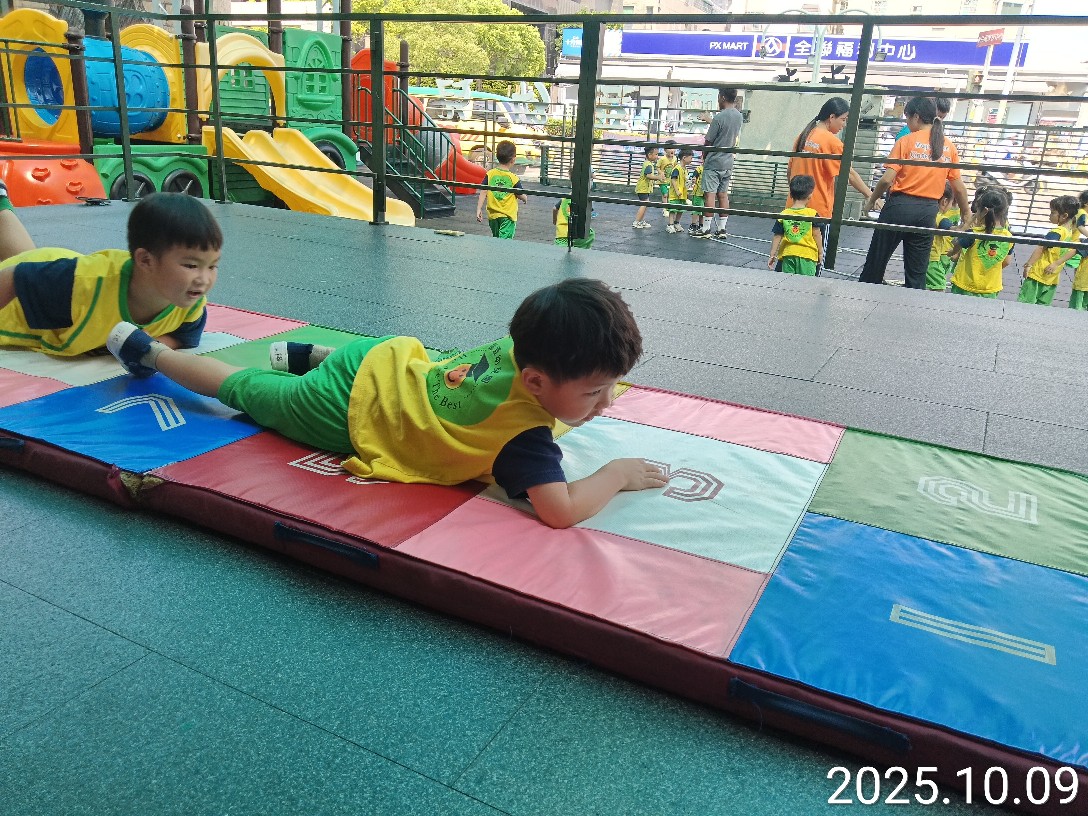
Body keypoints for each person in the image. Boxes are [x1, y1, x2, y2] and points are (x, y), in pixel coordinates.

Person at [105, 278, 668, 529]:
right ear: (537, 382)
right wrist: (616, 474)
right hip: (343, 407)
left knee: (402, 367)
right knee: (241, 389)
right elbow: (560, 512)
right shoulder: (524, 441)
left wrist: (587, 391)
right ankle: (151, 353)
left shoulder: (521, 344)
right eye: (593, 392)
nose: (605, 402)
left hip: (383, 359)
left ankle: (310, 355)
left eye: (610, 387)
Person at [0, 191, 220, 357]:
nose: (204, 280)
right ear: (145, 260)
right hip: (15, 295)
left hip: (56, 273)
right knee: (21, 263)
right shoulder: (84, 285)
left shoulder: (190, 305)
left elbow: (183, 336)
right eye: (191, 266)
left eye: (212, 266)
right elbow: (14, 278)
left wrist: (148, 347)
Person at [859, 96, 970, 289]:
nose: (907, 123)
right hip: (927, 212)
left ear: (916, 117)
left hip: (898, 207)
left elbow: (886, 179)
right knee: (917, 275)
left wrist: (871, 200)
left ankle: (861, 299)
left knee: (875, 265)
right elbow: (958, 187)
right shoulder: (948, 146)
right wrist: (966, 213)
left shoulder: (906, 141)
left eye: (907, 118)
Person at [788, 97, 875, 223]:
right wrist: (871, 195)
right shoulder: (832, 142)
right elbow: (849, 174)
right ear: (832, 117)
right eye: (843, 119)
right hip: (817, 211)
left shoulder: (802, 136)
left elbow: (789, 173)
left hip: (793, 208)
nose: (844, 125)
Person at [947, 186, 1014, 298]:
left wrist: (952, 252)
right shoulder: (1009, 237)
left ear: (984, 211)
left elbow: (956, 244)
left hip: (965, 285)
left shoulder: (973, 233)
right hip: (990, 288)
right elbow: (1006, 261)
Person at [697, 87, 743, 239]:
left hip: (714, 161)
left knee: (709, 195)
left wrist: (704, 156)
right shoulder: (738, 116)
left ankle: (705, 229)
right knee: (723, 195)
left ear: (722, 97)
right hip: (728, 161)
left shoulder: (719, 117)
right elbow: (725, 131)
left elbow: (709, 141)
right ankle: (722, 229)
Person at [1018, 195, 1079, 306]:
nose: (1050, 215)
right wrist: (1056, 264)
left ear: (1064, 216)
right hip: (1052, 277)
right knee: (1043, 306)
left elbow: (1041, 247)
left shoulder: (1057, 231)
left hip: (1038, 273)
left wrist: (1028, 265)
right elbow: (1073, 250)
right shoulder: (1069, 232)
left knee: (1025, 303)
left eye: (1052, 212)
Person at [768, 174, 822, 276]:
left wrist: (772, 254)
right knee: (806, 283)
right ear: (810, 195)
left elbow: (777, 235)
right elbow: (816, 234)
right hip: (808, 255)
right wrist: (820, 252)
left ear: (791, 195)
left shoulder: (784, 214)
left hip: (788, 253)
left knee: (788, 281)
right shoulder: (812, 214)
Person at [476, 140, 526, 239]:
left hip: (493, 215)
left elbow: (483, 191)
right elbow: (520, 194)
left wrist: (479, 209)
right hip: (507, 216)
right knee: (504, 243)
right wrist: (525, 198)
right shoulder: (513, 178)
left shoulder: (490, 174)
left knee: (497, 239)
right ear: (513, 159)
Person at [554, 168, 595, 249]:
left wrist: (555, 221)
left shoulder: (566, 197)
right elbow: (588, 216)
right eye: (591, 179)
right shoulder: (586, 200)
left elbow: (554, 209)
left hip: (562, 234)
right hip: (579, 235)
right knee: (590, 234)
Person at [926, 183, 956, 291]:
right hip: (933, 261)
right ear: (945, 201)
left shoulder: (925, 213)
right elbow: (955, 231)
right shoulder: (940, 218)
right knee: (939, 288)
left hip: (920, 257)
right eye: (951, 203)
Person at [632, 146, 662, 229]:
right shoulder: (648, 165)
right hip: (643, 188)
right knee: (644, 204)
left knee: (645, 204)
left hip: (644, 188)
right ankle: (637, 222)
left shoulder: (648, 163)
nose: (657, 156)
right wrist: (658, 177)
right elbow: (648, 176)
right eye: (656, 154)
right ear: (649, 155)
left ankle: (640, 221)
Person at [665, 148, 694, 235]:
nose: (691, 160)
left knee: (681, 209)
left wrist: (690, 184)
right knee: (673, 209)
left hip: (683, 194)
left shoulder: (685, 169)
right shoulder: (677, 168)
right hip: (675, 194)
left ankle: (676, 222)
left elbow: (685, 180)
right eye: (691, 158)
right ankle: (670, 224)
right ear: (684, 158)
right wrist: (677, 190)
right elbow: (673, 179)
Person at [1071, 190, 1088, 310]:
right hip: (1072, 242)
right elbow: (1080, 226)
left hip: (1072, 240)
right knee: (1079, 262)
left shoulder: (1079, 211)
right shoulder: (1082, 213)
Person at [656, 143, 678, 216]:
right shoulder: (662, 159)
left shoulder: (675, 158)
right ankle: (665, 209)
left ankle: (668, 207)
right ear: (665, 150)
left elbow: (675, 167)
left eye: (673, 148)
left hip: (670, 180)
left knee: (669, 194)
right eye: (670, 148)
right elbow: (657, 167)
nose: (672, 150)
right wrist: (661, 173)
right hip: (662, 180)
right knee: (665, 194)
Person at [686, 160, 705, 237]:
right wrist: (694, 178)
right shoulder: (700, 168)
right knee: (697, 209)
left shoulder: (710, 169)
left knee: (703, 210)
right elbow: (695, 175)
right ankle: (693, 225)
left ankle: (701, 225)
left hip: (706, 193)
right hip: (698, 193)